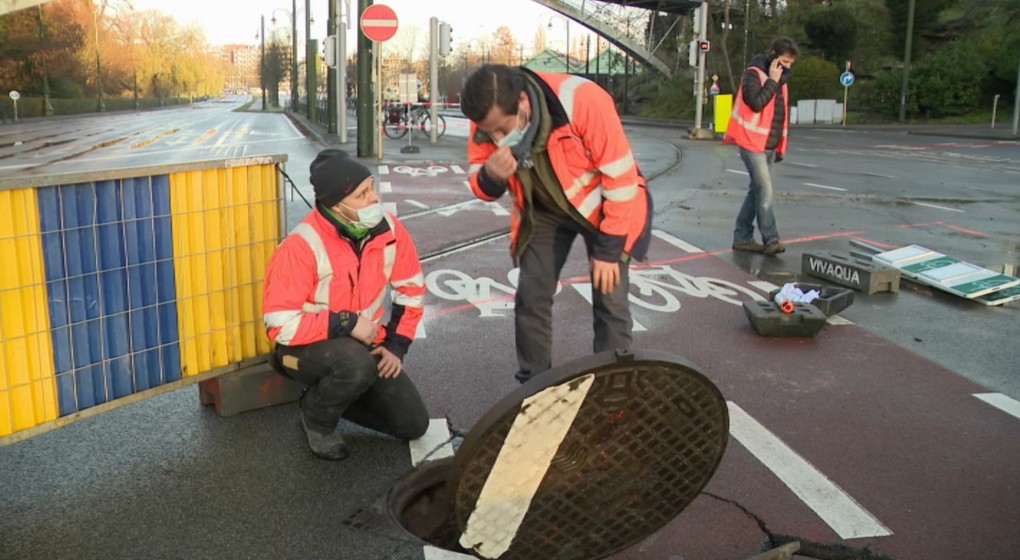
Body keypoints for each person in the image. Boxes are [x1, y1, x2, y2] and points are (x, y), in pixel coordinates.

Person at [461, 64, 652, 384]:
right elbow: (479, 182)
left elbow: (621, 180)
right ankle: (535, 387)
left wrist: (608, 251)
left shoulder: (584, 100)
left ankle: (613, 389)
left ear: (523, 102)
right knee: (531, 296)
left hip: (603, 209)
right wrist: (491, 176)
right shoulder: (485, 113)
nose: (497, 140)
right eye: (490, 133)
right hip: (543, 212)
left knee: (610, 300)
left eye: (502, 130)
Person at [262, 149, 428, 460]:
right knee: (355, 366)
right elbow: (279, 326)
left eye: (372, 187)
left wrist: (396, 345)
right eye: (362, 194)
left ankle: (337, 392)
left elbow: (412, 290)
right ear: (337, 205)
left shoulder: (390, 230)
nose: (374, 198)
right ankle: (316, 418)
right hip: (302, 348)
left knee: (413, 424)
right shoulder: (301, 246)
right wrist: (347, 323)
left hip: (365, 344)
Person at [724, 37, 799, 255]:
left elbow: (780, 116)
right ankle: (771, 239)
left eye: (791, 64)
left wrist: (780, 146)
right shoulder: (754, 74)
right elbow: (755, 104)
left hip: (768, 145)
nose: (787, 67)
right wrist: (772, 82)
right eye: (784, 62)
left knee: (756, 191)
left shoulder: (782, 81)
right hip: (751, 141)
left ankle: (742, 237)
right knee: (765, 191)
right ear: (774, 56)